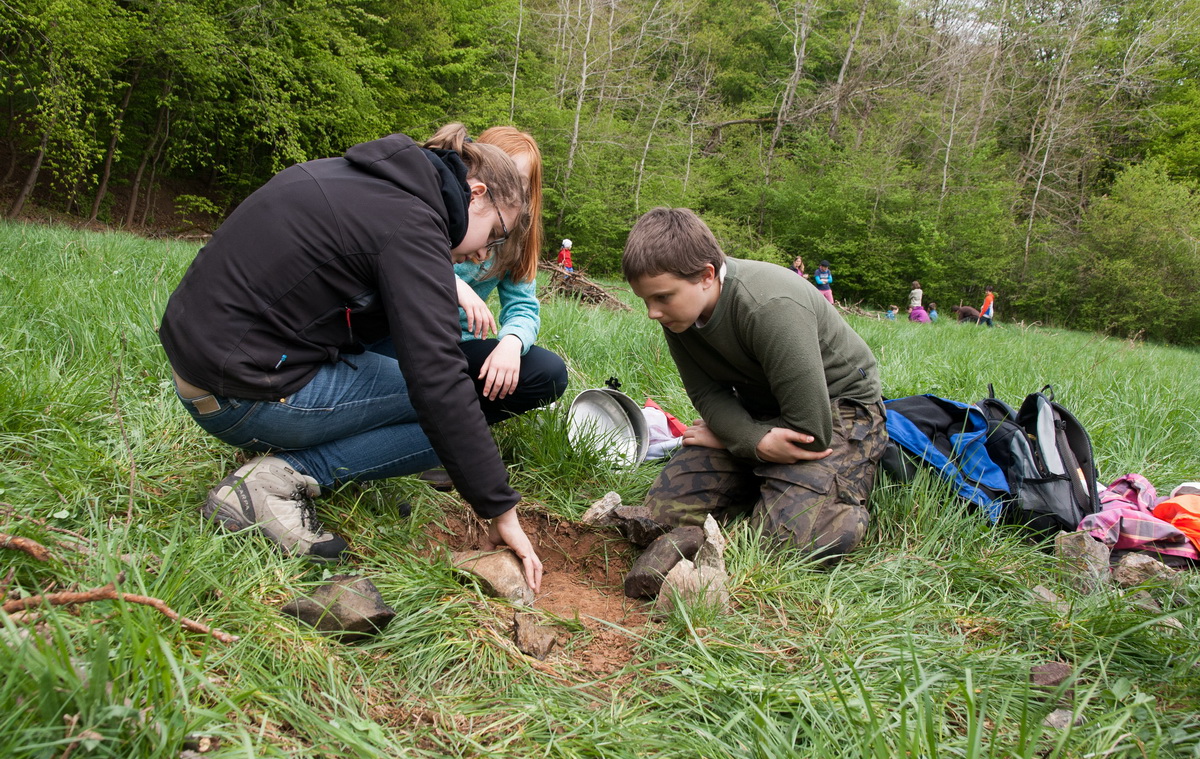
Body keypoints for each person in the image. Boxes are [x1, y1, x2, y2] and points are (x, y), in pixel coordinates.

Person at [159, 123, 543, 592]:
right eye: (496, 233)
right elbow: (438, 382)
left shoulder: (361, 177)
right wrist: (500, 509)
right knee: (454, 414)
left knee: (453, 419)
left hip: (204, 372)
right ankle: (274, 483)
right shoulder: (412, 223)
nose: (485, 251)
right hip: (240, 395)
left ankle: (298, 456)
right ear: (476, 194)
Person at [621, 208, 887, 561]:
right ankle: (766, 478)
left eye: (663, 298)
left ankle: (836, 486)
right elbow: (705, 393)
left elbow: (810, 430)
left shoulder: (769, 304)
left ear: (706, 275)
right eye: (646, 300)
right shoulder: (679, 316)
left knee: (789, 542)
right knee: (663, 514)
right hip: (759, 407)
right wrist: (750, 439)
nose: (652, 312)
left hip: (836, 409)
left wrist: (735, 438)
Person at [448, 126, 568, 425]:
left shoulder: (516, 241)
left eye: (519, 182)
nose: (509, 187)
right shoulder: (446, 210)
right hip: (408, 340)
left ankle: (459, 427)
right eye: (502, 175)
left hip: (460, 346)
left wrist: (512, 342)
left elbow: (522, 307)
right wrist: (453, 282)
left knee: (549, 373)